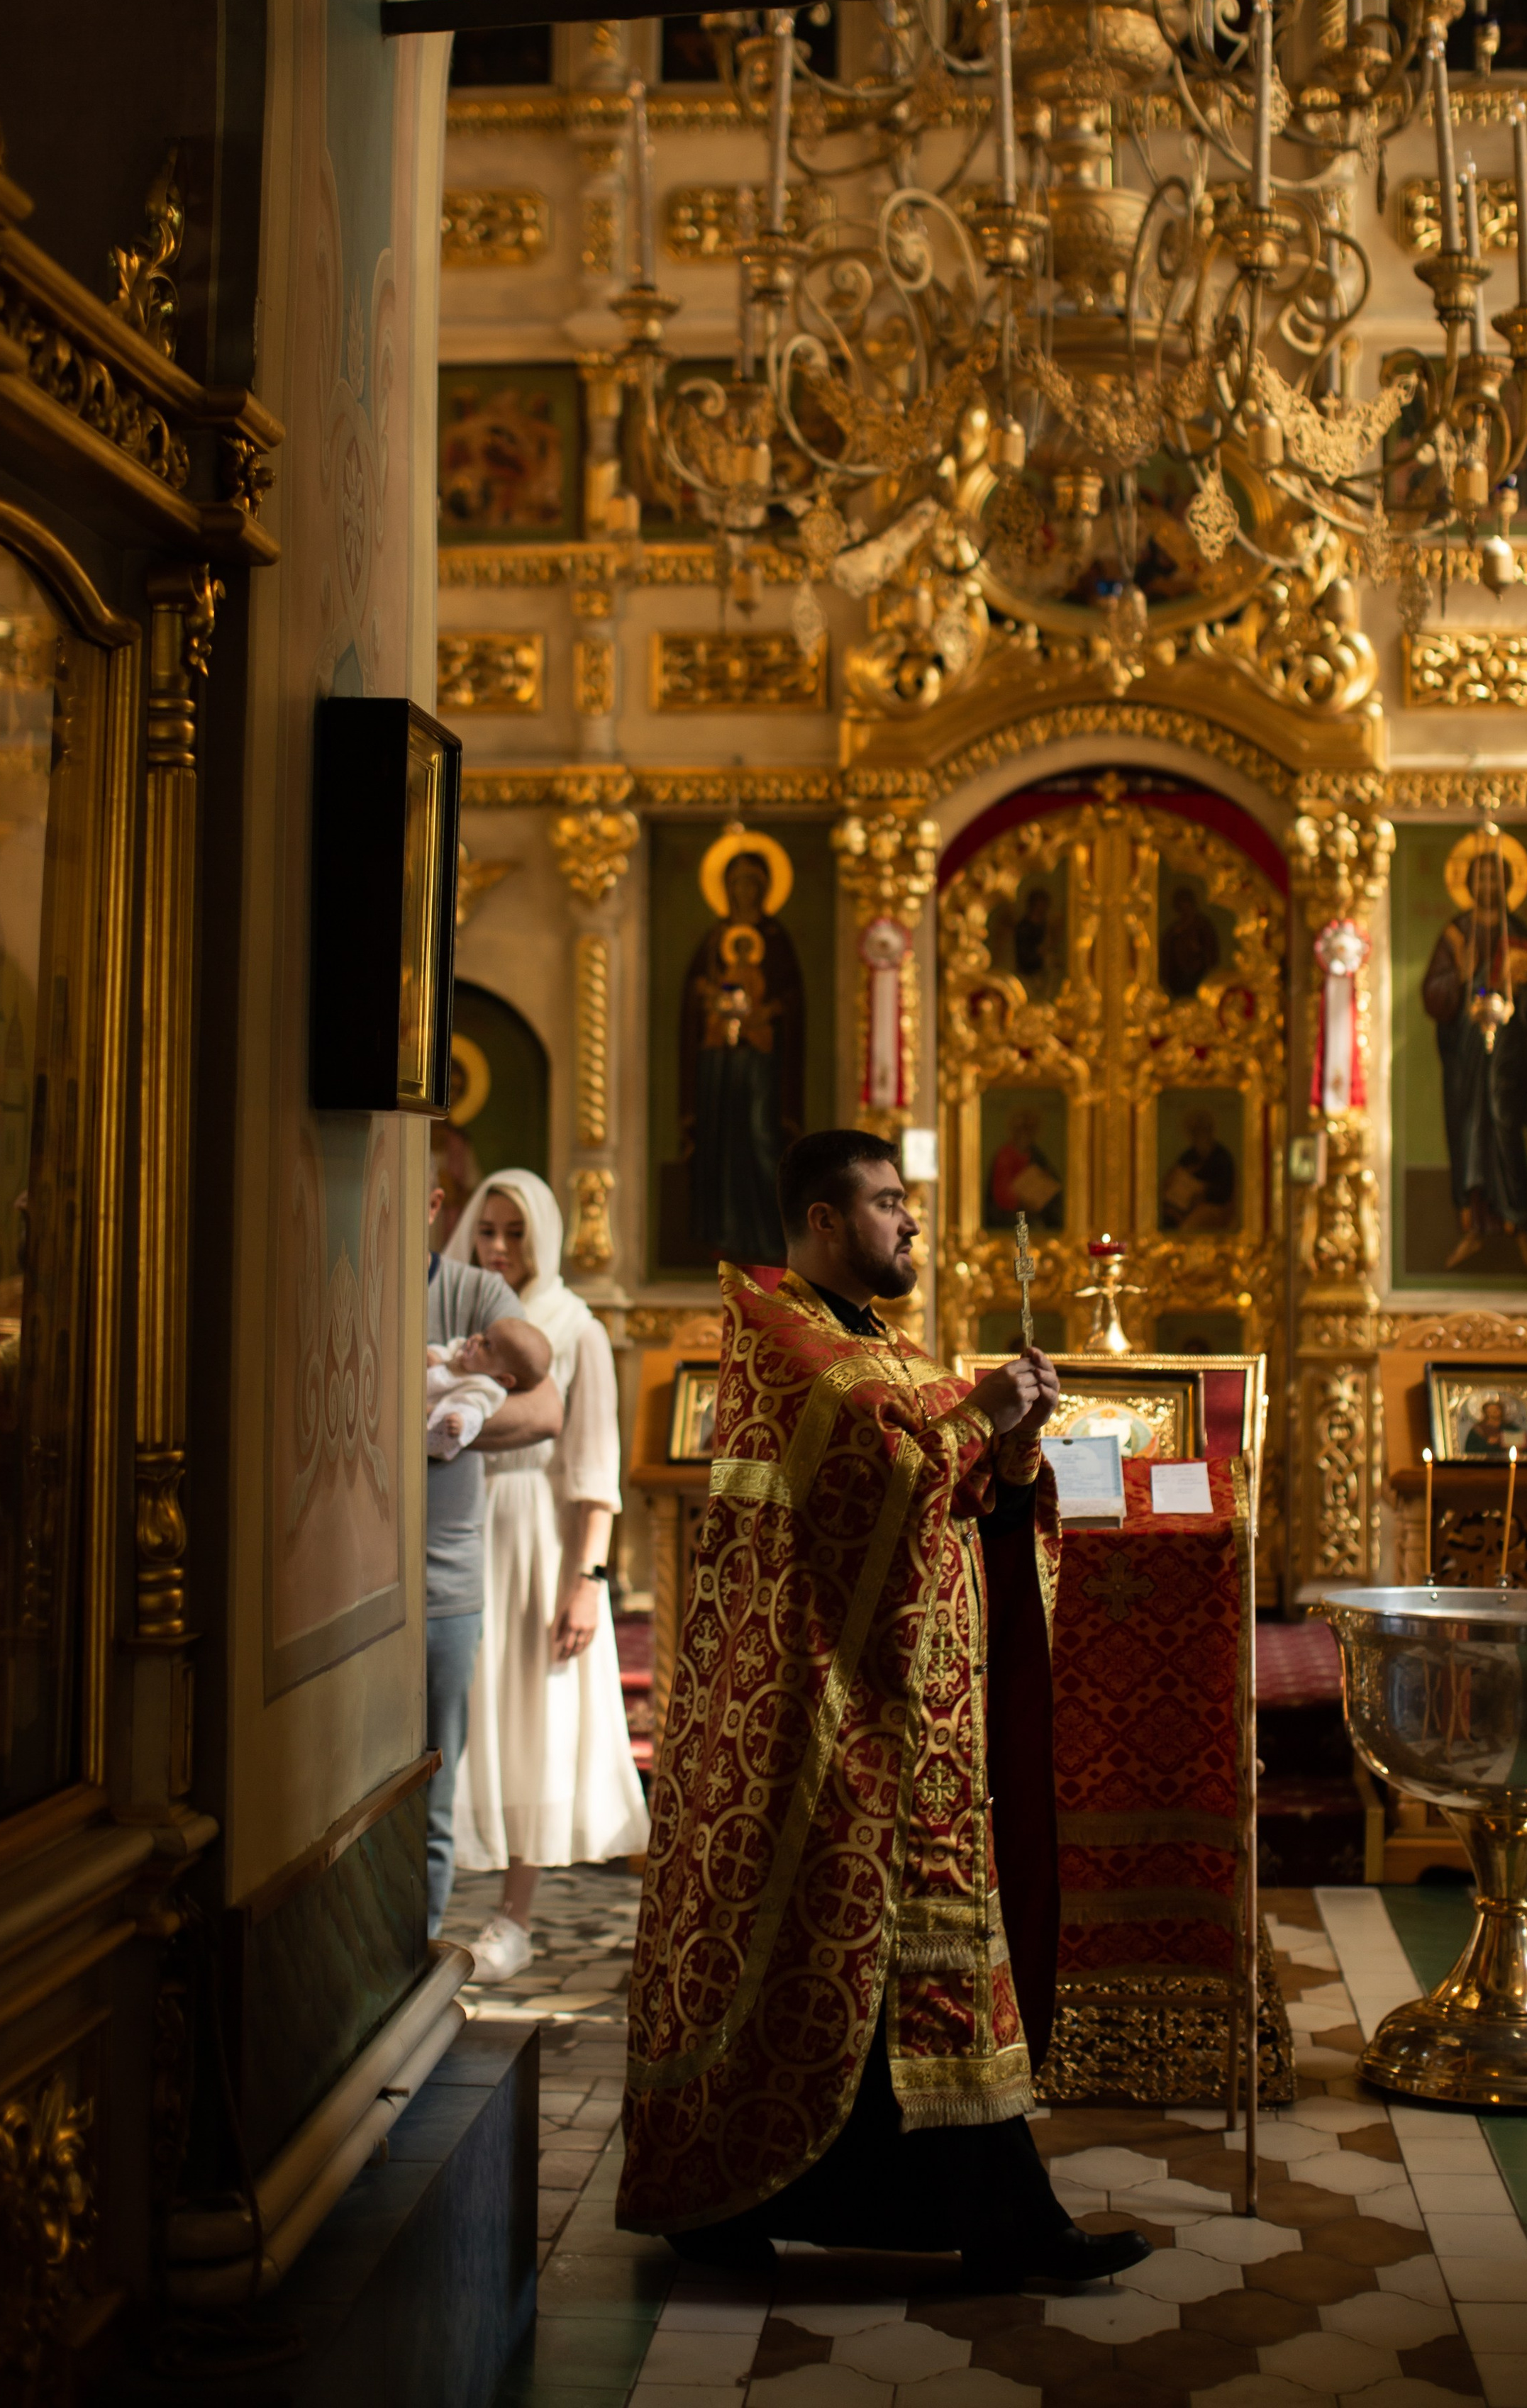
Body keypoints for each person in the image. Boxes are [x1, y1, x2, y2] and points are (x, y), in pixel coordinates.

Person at [618, 1127, 1150, 2288]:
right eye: (884, 1202)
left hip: (917, 1719)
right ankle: (732, 2200)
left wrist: (1007, 1456)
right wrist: (972, 1413)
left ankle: (985, 2214)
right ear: (820, 1223)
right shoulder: (781, 1337)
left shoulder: (879, 1344)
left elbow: (942, 1487)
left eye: (904, 1203)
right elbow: (867, 1470)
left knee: (914, 1968)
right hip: (822, 1720)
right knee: (831, 1959)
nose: (908, 1221)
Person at [445, 1171, 650, 1984]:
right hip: (457, 1524)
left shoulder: (576, 1328)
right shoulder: (462, 1314)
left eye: (514, 1234)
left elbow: (594, 1469)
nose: (497, 1248)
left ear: (544, 1238)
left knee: (533, 1715)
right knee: (461, 1712)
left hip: (536, 1539)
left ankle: (513, 1915)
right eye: (487, 1231)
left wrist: (586, 1580)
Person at [425, 1176, 562, 1942]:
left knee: (433, 1791)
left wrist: (428, 1425)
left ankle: (413, 1959)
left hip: (445, 1578)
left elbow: (544, 1404)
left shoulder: (478, 1294)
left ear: (432, 1199)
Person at [1422, 839, 1527, 1273]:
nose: (1488, 884)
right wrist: (1459, 975)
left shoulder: (1520, 935)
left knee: (1503, 1127)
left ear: (1508, 883)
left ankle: (1519, 1226)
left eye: (1496, 877)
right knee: (1467, 1131)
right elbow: (1434, 994)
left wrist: (1518, 996)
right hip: (1464, 1054)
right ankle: (1472, 1228)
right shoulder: (1455, 934)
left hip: (1508, 1056)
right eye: (1480, 876)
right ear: (1468, 883)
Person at [679, 844, 804, 1266]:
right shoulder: (714, 940)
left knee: (759, 1137)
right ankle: (722, 1234)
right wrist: (707, 1000)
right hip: (719, 1061)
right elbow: (694, 999)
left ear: (766, 888)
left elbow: (792, 997)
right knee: (720, 1141)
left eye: (753, 882)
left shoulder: (776, 939)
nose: (745, 890)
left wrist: (768, 1011)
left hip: (760, 1061)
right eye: (737, 883)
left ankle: (768, 1237)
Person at [427, 1319, 549, 1462]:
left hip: (430, 1414)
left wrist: (461, 1421)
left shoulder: (487, 1389)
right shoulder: (461, 1352)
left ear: (503, 1379)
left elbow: (474, 1410)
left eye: (487, 1345)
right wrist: (434, 1357)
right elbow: (445, 1352)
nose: (477, 1338)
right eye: (483, 1333)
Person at [1160, 1108, 1237, 1232]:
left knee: (1188, 1228)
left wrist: (1203, 1191)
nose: (1198, 1136)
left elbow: (1225, 1191)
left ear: (1209, 1131)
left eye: (1201, 1131)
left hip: (1212, 1207)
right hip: (1182, 1206)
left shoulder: (1222, 1157)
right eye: (1194, 1132)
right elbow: (1173, 1178)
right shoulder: (1189, 1155)